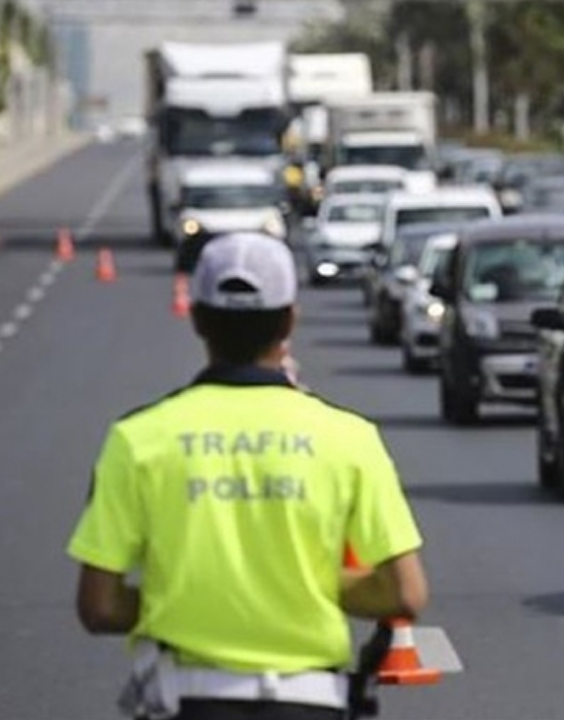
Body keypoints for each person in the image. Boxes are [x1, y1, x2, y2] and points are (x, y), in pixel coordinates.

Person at [67, 232, 429, 720]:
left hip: (186, 701)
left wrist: (190, 596)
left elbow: (99, 605)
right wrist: (303, 582)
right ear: (290, 321)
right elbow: (404, 593)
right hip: (310, 701)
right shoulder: (350, 438)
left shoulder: (138, 439)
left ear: (196, 318)